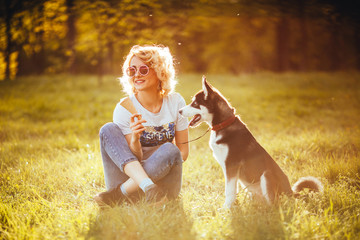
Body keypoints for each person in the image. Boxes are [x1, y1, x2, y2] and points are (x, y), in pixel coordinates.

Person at [94, 45, 189, 206]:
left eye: (143, 69)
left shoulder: (175, 102)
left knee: (172, 150)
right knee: (107, 129)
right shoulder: (124, 108)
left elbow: (183, 153)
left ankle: (118, 195)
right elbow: (133, 158)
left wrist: (161, 162)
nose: (137, 74)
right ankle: (147, 187)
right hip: (130, 175)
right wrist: (135, 140)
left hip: (162, 184)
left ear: (160, 71)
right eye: (132, 70)